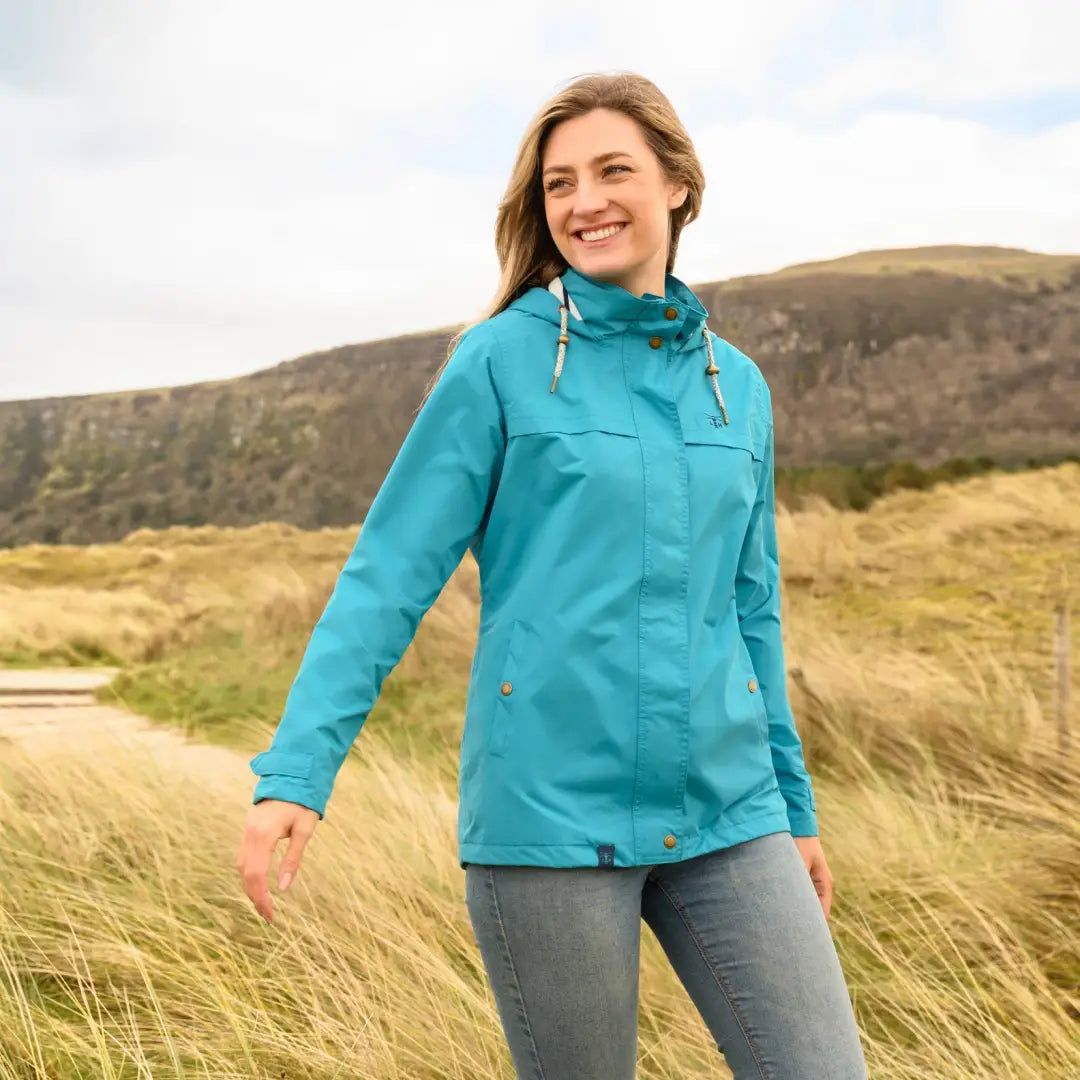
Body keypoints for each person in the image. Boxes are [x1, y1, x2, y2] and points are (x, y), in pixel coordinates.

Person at [237, 71, 869, 1080]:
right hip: (549, 824)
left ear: (678, 186)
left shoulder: (736, 388)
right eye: (559, 184)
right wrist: (297, 775)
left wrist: (791, 808)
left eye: (613, 170)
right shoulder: (496, 364)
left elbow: (752, 614)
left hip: (729, 811)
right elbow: (386, 578)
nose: (584, 202)